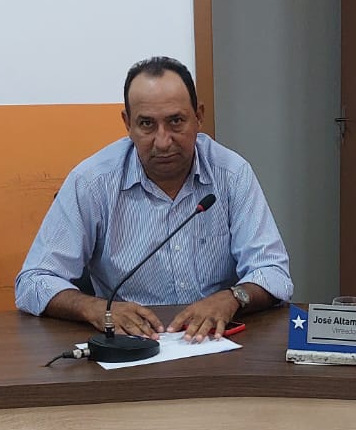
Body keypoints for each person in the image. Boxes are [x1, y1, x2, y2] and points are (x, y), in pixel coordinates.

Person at [15, 56, 293, 338]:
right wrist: (96, 308)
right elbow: (33, 281)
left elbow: (273, 272)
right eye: (147, 124)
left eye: (176, 121)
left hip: (215, 338)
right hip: (132, 343)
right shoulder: (92, 182)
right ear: (128, 124)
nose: (163, 141)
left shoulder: (231, 174)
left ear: (199, 116)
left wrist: (232, 298)